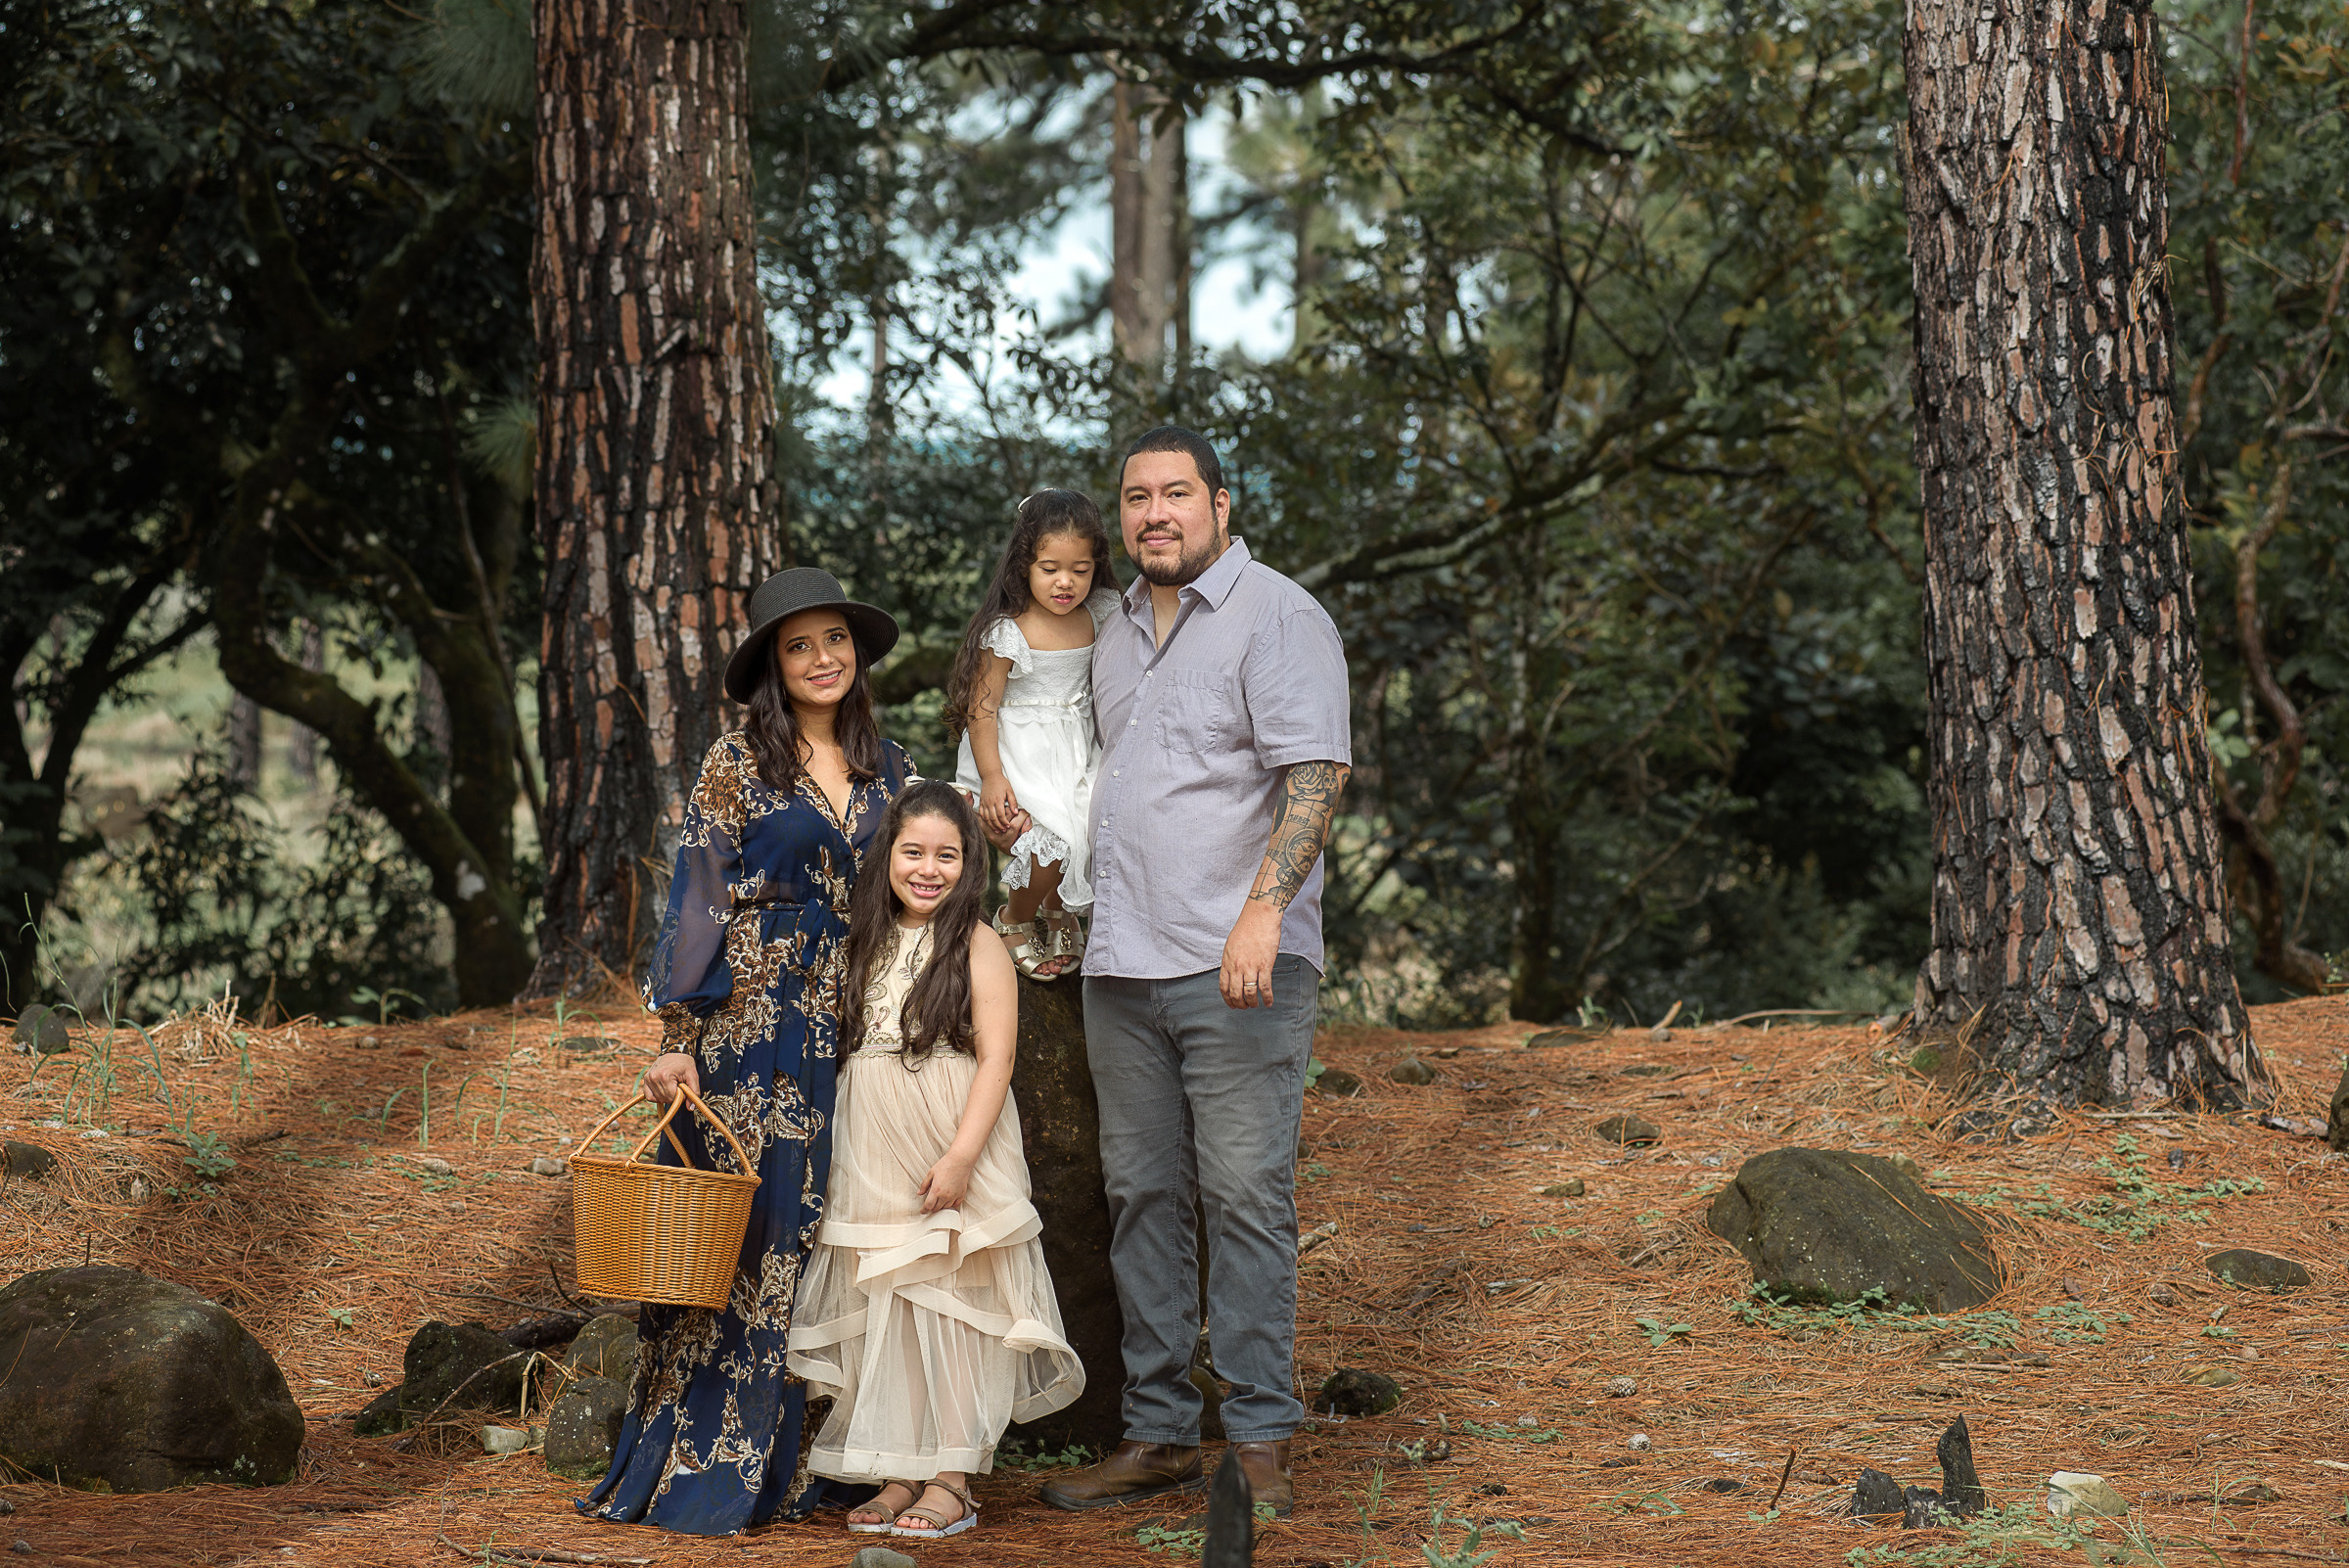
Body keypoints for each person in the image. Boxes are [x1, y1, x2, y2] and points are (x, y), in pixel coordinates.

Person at [1039, 427, 1351, 1519]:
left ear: (1222, 502)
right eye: (1137, 498)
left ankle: (1260, 1438)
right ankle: (1160, 1431)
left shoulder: (1279, 613)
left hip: (1237, 971)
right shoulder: (1114, 630)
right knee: (1141, 1197)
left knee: (1246, 1197)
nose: (1154, 514)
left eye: (1177, 494)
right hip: (1119, 968)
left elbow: (1316, 772)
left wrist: (1264, 913)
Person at [582, 567, 918, 1537]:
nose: (822, 659)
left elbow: (923, 884)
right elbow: (697, 896)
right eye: (799, 645)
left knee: (837, 1235)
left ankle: (825, 1460)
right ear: (775, 663)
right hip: (752, 1028)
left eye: (836, 642)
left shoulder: (891, 767)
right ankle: (715, 1461)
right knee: (752, 1235)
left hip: (858, 1020)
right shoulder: (738, 761)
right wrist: (677, 1036)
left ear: (857, 655)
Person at [786, 781, 1084, 1540]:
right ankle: (896, 1470)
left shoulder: (975, 941)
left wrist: (958, 1158)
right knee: (888, 1296)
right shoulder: (866, 937)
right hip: (872, 1134)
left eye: (946, 855)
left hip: (950, 1131)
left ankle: (953, 1477)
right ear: (887, 855)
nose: (928, 869)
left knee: (954, 1293)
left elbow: (998, 1057)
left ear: (968, 864)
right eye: (912, 852)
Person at [944, 489, 1123, 981]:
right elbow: (982, 710)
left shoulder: (1104, 613)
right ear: (1024, 564)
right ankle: (1015, 916)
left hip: (1076, 749)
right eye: (1049, 568)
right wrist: (993, 777)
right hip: (1018, 754)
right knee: (1048, 842)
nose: (1065, 582)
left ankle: (1055, 907)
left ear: (1095, 566)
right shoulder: (1009, 631)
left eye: (1080, 569)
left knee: (1089, 830)